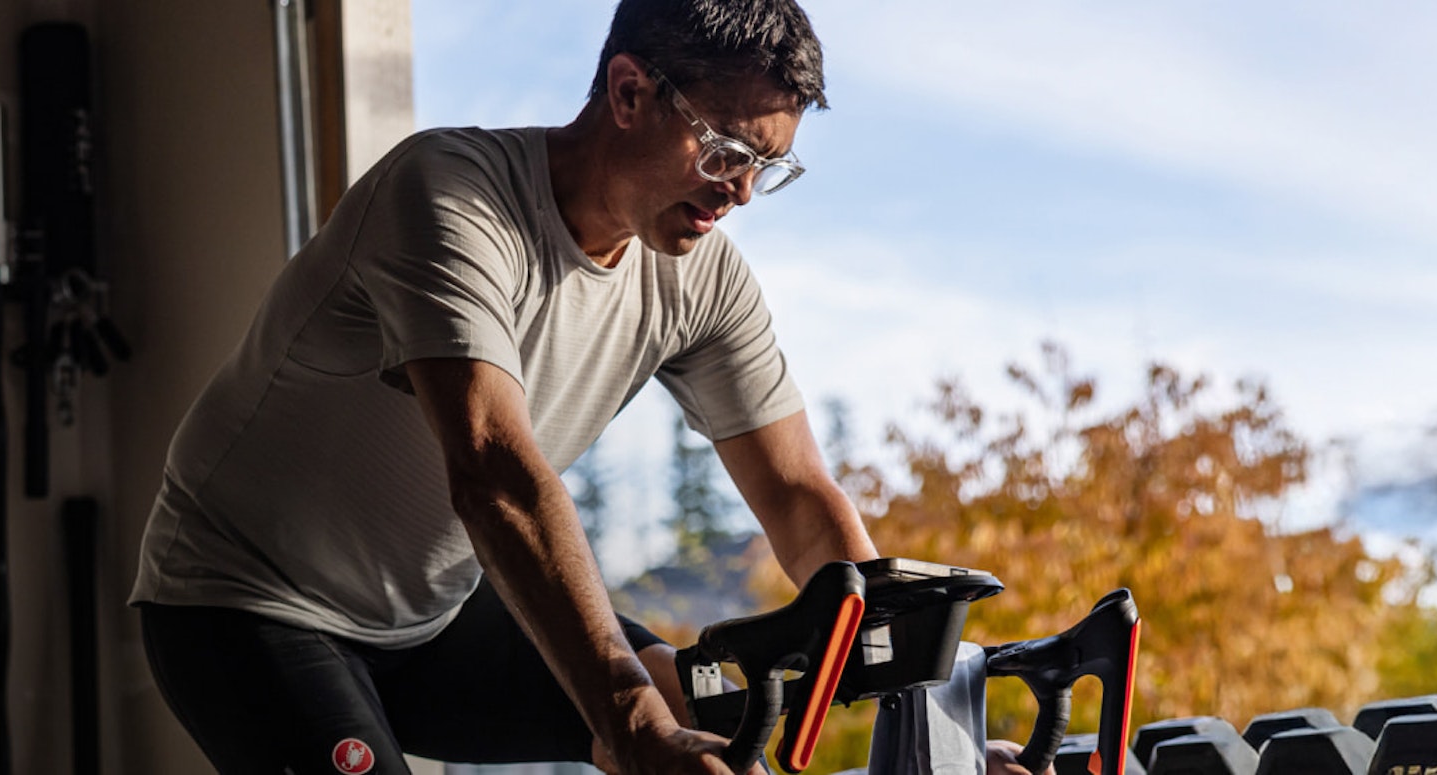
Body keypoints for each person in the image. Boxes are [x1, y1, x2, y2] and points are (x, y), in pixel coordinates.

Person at [131, 2, 1036, 773]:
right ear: (630, 91)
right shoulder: (450, 195)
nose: (743, 192)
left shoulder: (703, 276)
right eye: (725, 148)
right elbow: (494, 471)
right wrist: (624, 719)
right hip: (247, 600)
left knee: (702, 705)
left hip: (436, 611)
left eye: (769, 165)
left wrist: (937, 732)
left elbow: (799, 497)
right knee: (641, 715)